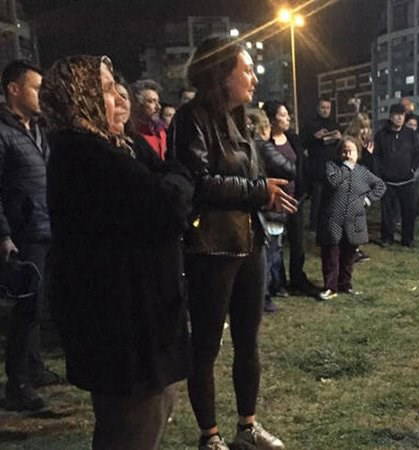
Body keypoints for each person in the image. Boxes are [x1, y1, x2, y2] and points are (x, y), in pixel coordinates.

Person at [42, 54, 194, 450]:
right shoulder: (86, 154)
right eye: (107, 90)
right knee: (133, 426)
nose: (120, 97)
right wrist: (178, 178)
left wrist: (172, 179)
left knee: (151, 413)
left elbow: (167, 182)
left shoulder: (118, 147)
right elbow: (168, 204)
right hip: (123, 327)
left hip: (137, 319)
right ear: (81, 99)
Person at [169, 37, 294, 450]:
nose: (254, 78)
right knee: (206, 345)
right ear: (221, 74)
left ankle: (247, 427)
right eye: (247, 70)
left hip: (249, 241)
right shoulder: (191, 118)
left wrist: (268, 190)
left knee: (248, 340)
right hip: (211, 247)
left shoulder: (239, 118)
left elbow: (249, 174)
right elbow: (198, 182)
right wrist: (259, 190)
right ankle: (210, 436)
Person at [0, 60, 62, 412]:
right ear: (14, 89)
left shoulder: (37, 129)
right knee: (24, 308)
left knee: (37, 304)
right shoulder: (3, 132)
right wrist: (4, 234)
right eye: (36, 87)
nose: (42, 94)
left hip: (44, 226)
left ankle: (34, 368)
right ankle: (17, 383)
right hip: (22, 232)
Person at [317, 136, 385, 300]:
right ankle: (330, 287)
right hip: (333, 219)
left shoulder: (362, 172)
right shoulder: (332, 167)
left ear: (357, 153)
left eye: (351, 151)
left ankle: (345, 285)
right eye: (344, 151)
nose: (347, 155)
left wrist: (368, 199)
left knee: (348, 255)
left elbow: (380, 185)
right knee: (331, 254)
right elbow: (334, 182)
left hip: (354, 220)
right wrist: (347, 167)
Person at [263, 100, 320, 297]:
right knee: (275, 244)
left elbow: (302, 165)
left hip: (296, 198)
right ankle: (276, 282)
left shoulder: (292, 139)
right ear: (272, 119)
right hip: (274, 201)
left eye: (288, 114)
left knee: (298, 243)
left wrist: (304, 189)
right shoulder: (265, 143)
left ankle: (298, 278)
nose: (288, 118)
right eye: (283, 115)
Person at [250, 108, 295, 312]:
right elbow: (288, 169)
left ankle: (271, 288)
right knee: (270, 250)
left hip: (259, 202)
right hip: (269, 203)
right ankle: (264, 296)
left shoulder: (244, 147)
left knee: (269, 250)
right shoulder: (262, 146)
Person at [373, 103, 419, 247]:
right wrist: (380, 174)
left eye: (402, 115)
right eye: (396, 115)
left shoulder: (411, 134)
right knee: (388, 213)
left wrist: (413, 170)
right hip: (387, 181)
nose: (399, 118)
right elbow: (376, 157)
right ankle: (387, 238)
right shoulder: (381, 135)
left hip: (407, 181)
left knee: (409, 212)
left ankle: (408, 239)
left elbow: (418, 155)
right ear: (390, 117)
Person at [302, 98, 341, 230]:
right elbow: (302, 143)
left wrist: (339, 138)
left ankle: (330, 222)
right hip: (317, 167)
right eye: (323, 107)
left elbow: (341, 145)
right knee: (317, 198)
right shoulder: (310, 124)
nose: (325, 110)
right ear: (318, 108)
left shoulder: (334, 124)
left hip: (333, 166)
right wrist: (314, 137)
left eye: (328, 108)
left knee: (333, 197)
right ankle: (314, 224)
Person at [344, 112, 376, 263]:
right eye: (362, 128)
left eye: (367, 128)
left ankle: (354, 248)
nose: (365, 131)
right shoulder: (350, 143)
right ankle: (351, 250)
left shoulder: (364, 143)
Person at [132, 79, 167, 159]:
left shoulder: (163, 131)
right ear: (137, 104)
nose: (158, 107)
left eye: (158, 101)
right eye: (151, 101)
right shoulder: (132, 134)